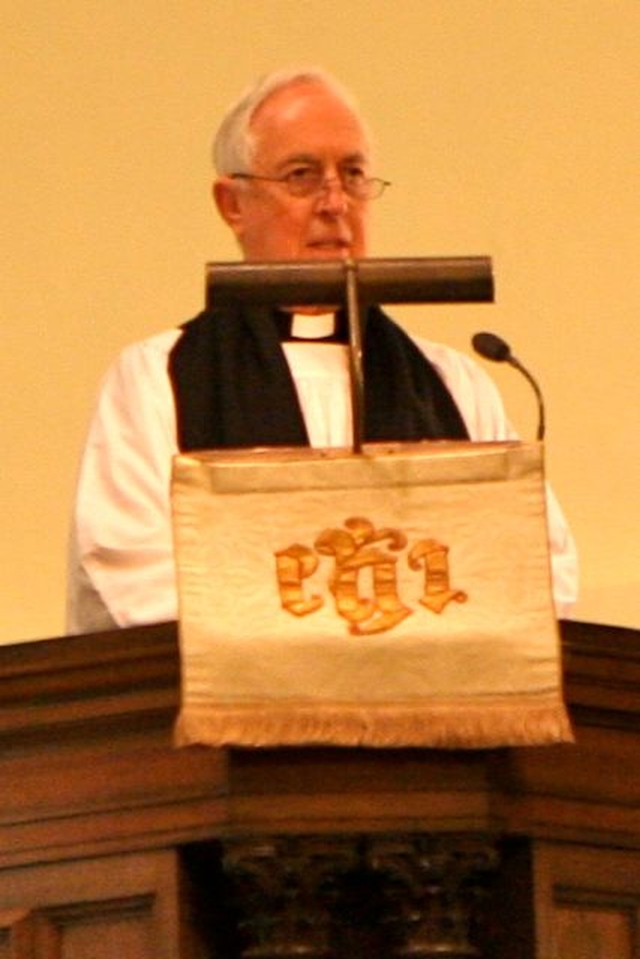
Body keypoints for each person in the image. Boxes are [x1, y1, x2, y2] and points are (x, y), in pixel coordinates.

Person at [66, 66, 578, 633]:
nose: (335, 202)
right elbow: (134, 570)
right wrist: (330, 644)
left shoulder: (454, 385)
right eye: (302, 175)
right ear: (232, 202)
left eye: (354, 174)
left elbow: (537, 569)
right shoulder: (158, 380)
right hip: (239, 712)